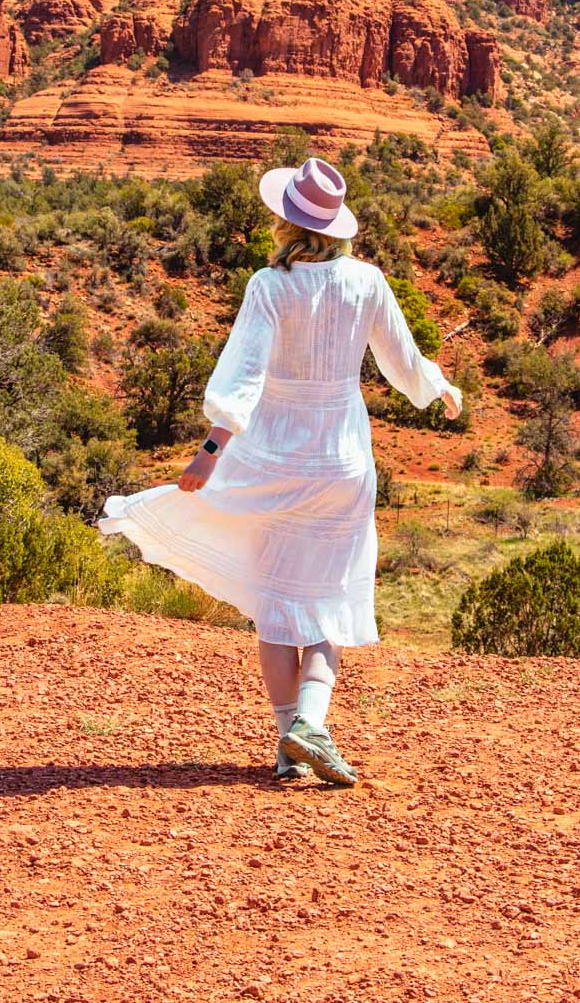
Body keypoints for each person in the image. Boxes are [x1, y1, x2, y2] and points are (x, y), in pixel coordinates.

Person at [100, 156, 462, 786]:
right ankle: (311, 726)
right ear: (338, 225)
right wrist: (440, 387)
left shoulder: (268, 286)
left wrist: (209, 453)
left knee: (278, 609)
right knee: (327, 601)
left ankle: (288, 738)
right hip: (343, 461)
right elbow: (404, 364)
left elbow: (241, 377)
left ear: (287, 221)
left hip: (274, 457)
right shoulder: (369, 282)